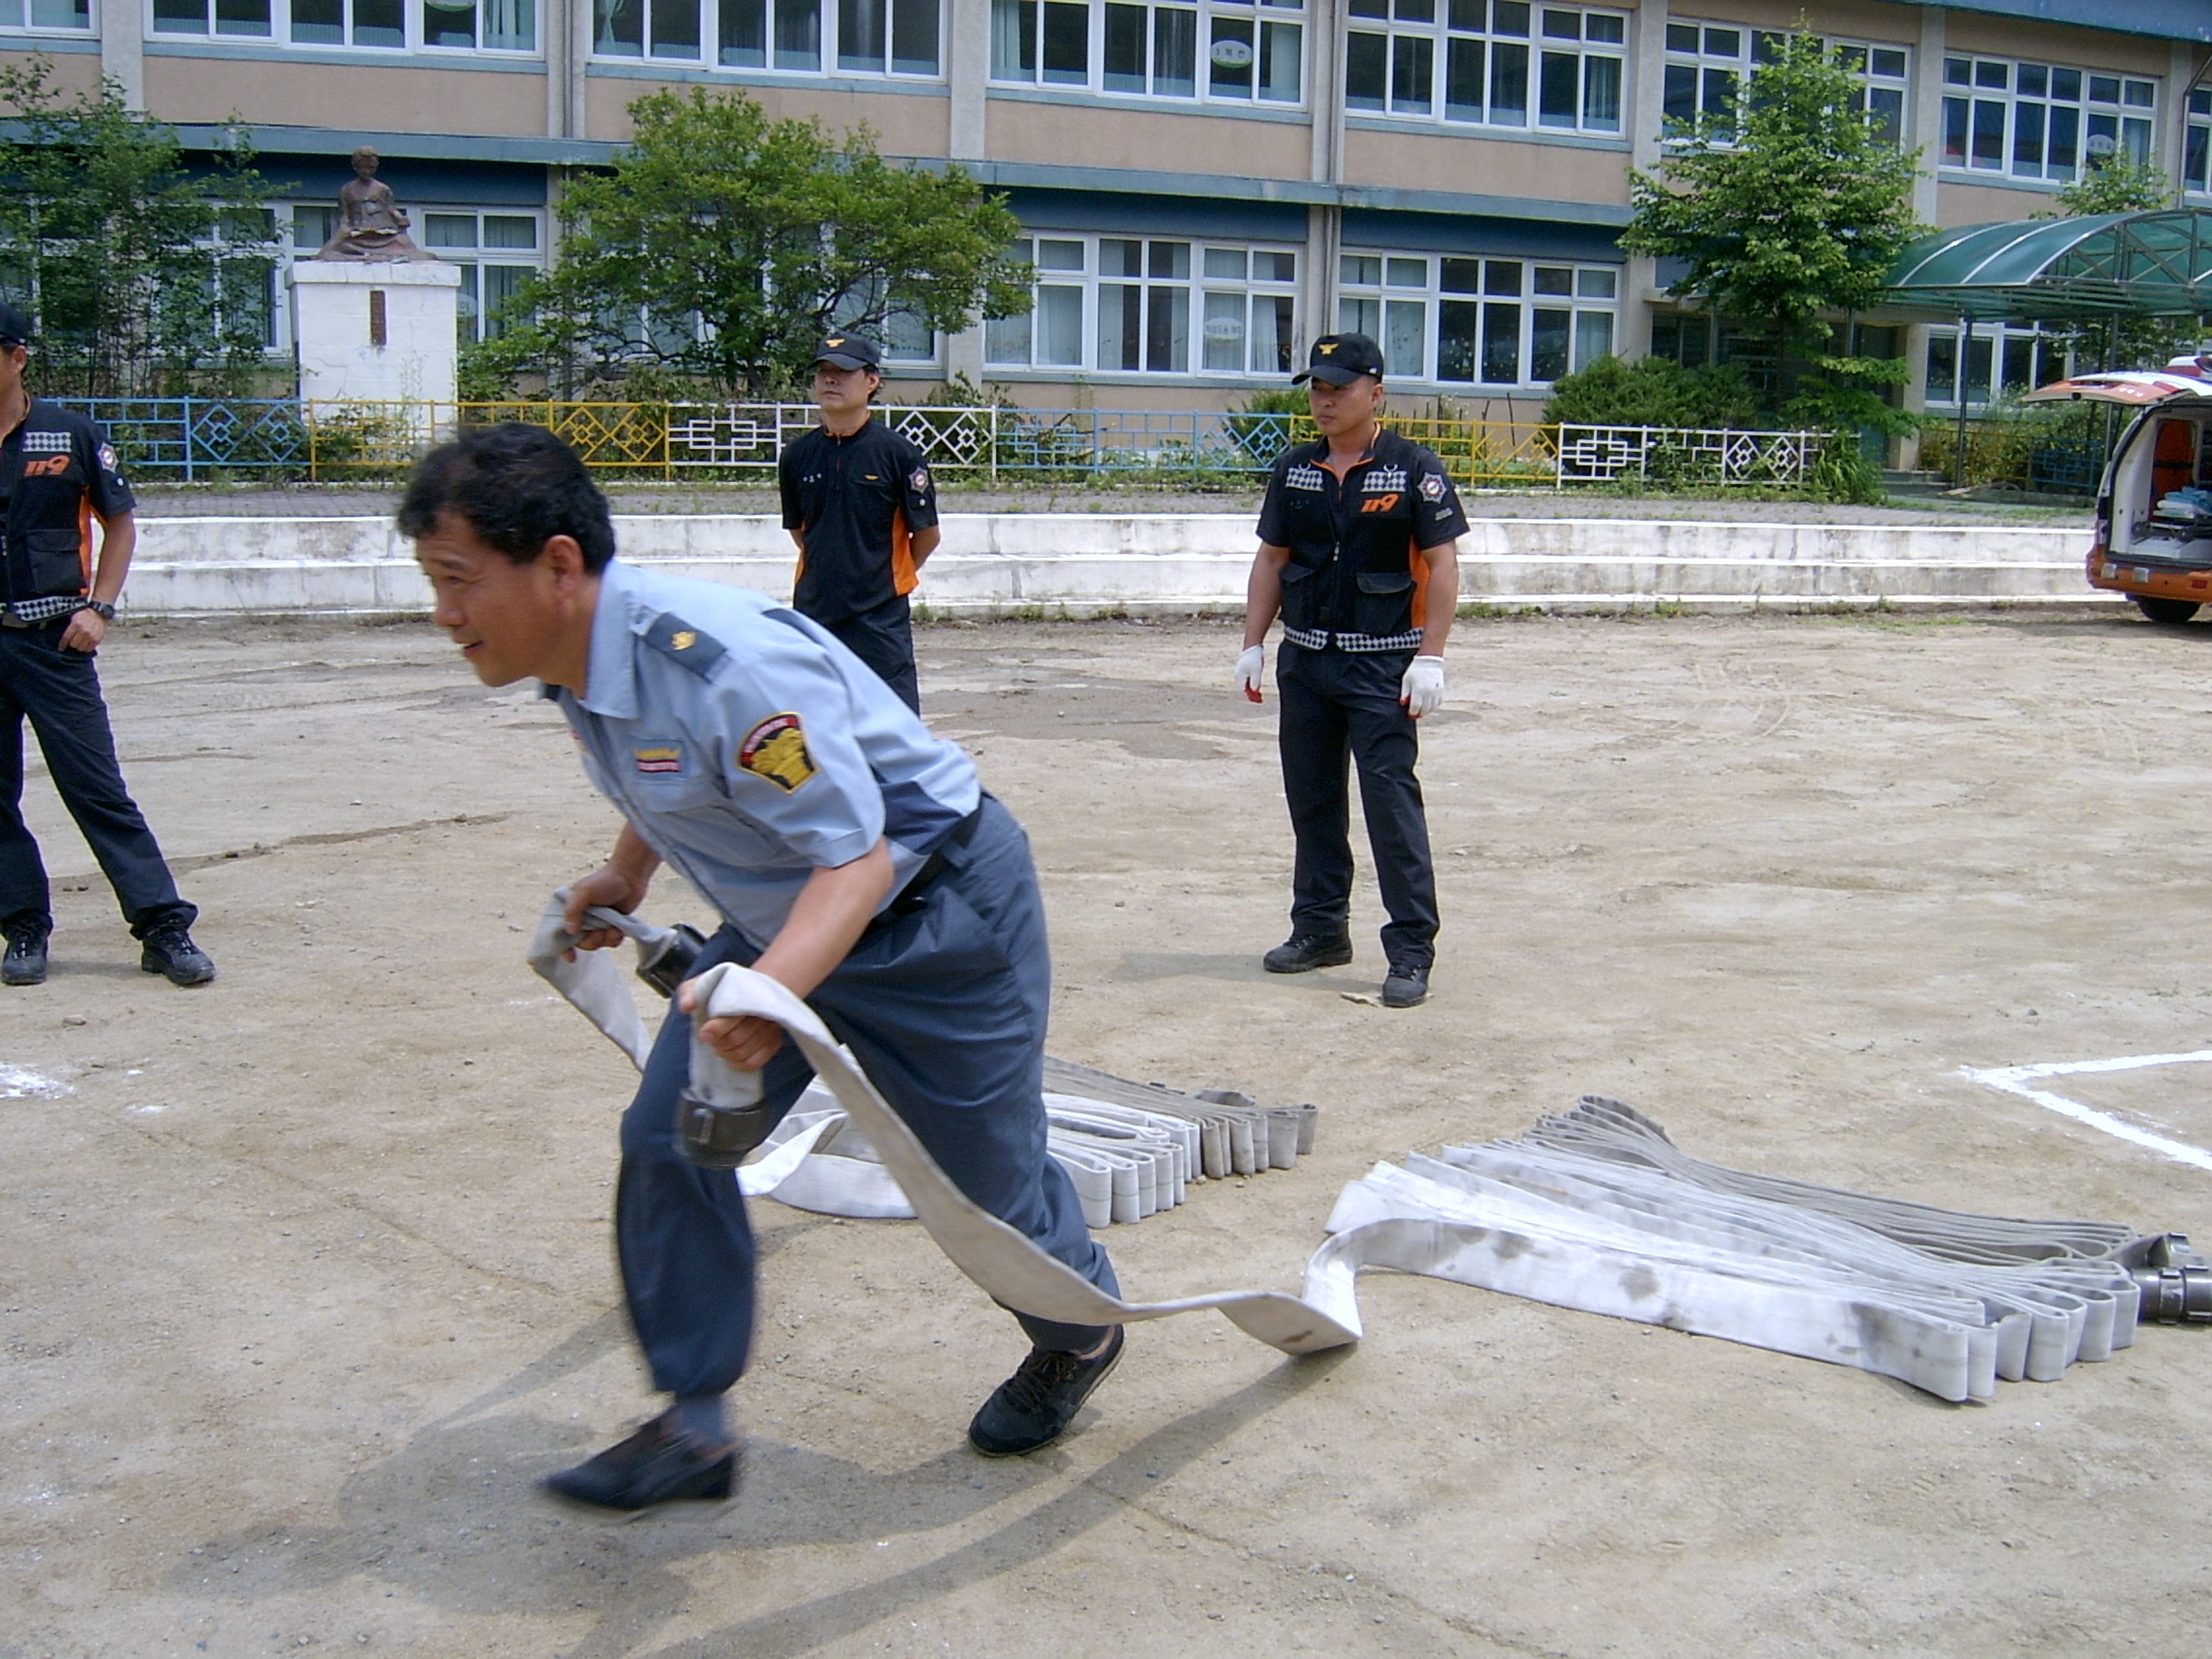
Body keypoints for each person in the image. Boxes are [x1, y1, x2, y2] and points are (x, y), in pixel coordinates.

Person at [400, 423, 1123, 1515]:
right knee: (671, 1138)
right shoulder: (578, 659)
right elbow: (670, 773)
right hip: (791, 917)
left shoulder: (720, 663)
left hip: (934, 916)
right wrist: (628, 872)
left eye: (458, 580)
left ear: (556, 563)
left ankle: (1080, 1332)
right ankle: (695, 1424)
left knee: (986, 1188)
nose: (445, 614)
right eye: (434, 583)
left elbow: (857, 856)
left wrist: (770, 991)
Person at [1235, 333, 1465, 1010]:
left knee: (1390, 807)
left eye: (1339, 387)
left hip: (1381, 665)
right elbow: (1272, 558)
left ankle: (1411, 949)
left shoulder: (1412, 468)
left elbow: (1444, 565)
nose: (1325, 399)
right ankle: (1320, 929)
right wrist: (1252, 643)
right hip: (1307, 659)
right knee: (1313, 802)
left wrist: (1431, 655)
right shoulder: (1295, 469)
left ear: (1376, 393)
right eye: (1317, 387)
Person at [0, 301, 213, 989]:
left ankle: (162, 928)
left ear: (17, 357)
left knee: (96, 790)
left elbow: (119, 522)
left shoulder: (70, 434)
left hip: (54, 642)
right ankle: (24, 927)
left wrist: (101, 607)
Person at [778, 334, 940, 711]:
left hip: (879, 620)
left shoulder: (897, 454)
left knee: (893, 728)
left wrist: (881, 577)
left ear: (871, 381)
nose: (830, 380)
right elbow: (801, 532)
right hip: (815, 614)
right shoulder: (797, 456)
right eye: (823, 371)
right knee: (818, 726)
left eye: (843, 371)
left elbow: (927, 535)